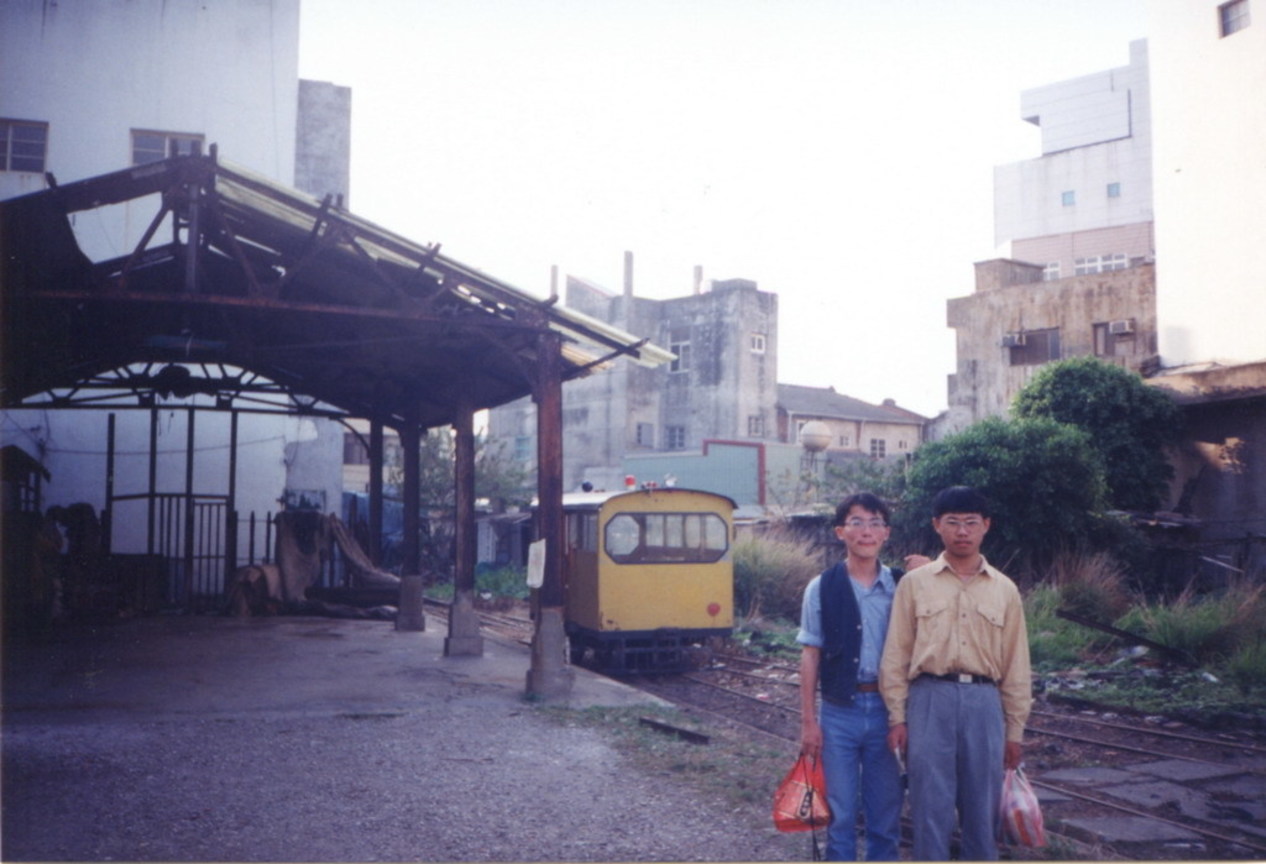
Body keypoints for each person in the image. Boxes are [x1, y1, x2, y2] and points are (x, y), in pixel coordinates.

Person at [879, 486, 1033, 861]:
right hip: (930, 699)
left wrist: (1015, 731)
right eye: (953, 523)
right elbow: (896, 653)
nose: (962, 531)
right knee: (930, 805)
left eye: (970, 523)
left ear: (986, 527)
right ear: (937, 526)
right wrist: (897, 716)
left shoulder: (1005, 590)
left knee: (983, 808)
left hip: (984, 703)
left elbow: (1016, 666)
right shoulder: (915, 584)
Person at [796, 492, 904, 861]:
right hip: (839, 712)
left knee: (885, 816)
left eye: (875, 523)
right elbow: (811, 655)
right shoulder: (821, 587)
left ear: (886, 533)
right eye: (856, 523)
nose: (866, 531)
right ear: (841, 532)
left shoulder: (903, 587)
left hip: (889, 713)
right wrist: (810, 722)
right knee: (839, 816)